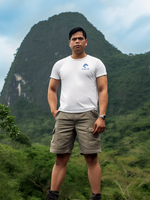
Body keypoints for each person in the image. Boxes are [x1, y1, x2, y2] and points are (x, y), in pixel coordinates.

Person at [47, 27, 108, 200]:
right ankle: (52, 196)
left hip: (88, 115)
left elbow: (103, 90)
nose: (77, 42)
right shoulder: (60, 64)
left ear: (86, 42)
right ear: (69, 43)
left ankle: (96, 196)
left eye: (80, 39)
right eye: (74, 39)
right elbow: (52, 89)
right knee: (61, 158)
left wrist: (101, 116)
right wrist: (54, 110)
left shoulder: (96, 63)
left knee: (91, 157)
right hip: (64, 115)